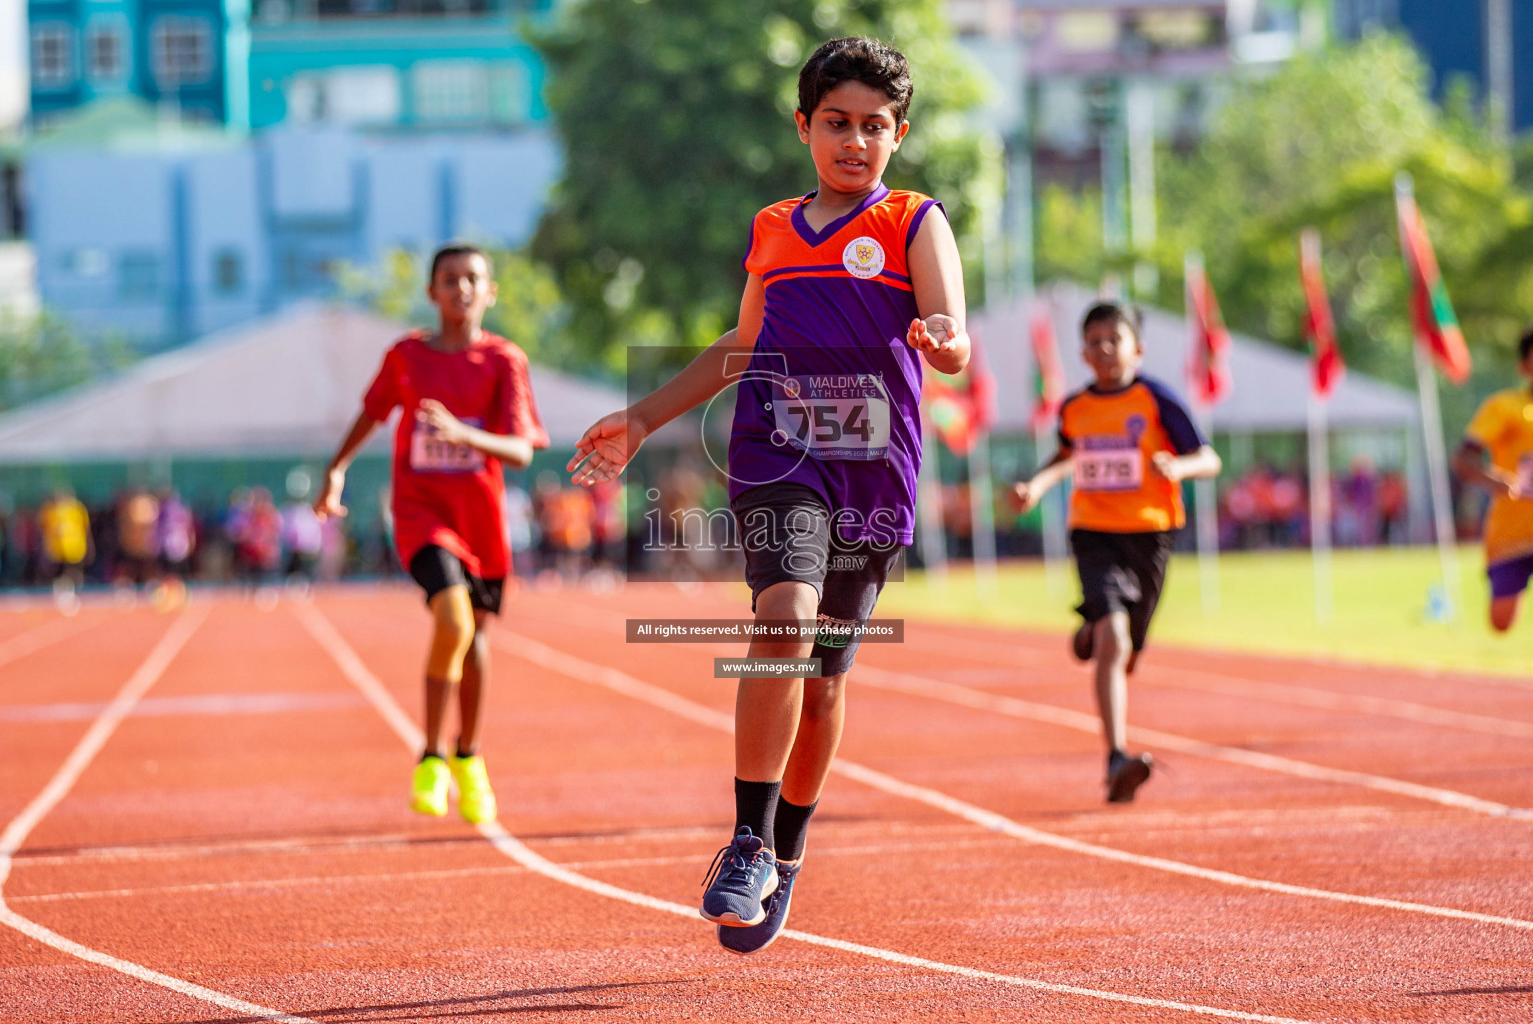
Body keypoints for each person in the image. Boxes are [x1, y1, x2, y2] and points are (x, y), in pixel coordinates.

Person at [568, 37, 969, 954]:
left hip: (873, 465)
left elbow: (954, 333)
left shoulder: (915, 219)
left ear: (898, 136)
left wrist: (945, 342)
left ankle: (786, 850)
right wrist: (642, 417)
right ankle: (746, 839)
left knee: (824, 684)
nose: (854, 141)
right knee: (781, 618)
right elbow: (741, 344)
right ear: (804, 127)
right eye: (837, 123)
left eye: (874, 126)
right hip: (778, 452)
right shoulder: (775, 227)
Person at [314, 243, 547, 824]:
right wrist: (337, 468)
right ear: (432, 292)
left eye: (472, 279)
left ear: (489, 291)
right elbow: (373, 410)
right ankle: (431, 756)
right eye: (449, 279)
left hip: (481, 520)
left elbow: (520, 451)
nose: (461, 289)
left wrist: (464, 437)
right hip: (422, 515)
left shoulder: (503, 361)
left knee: (476, 640)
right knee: (453, 619)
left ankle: (469, 756)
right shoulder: (407, 357)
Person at [1012, 302, 1221, 803]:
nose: (1104, 349)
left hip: (1150, 534)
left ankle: (1093, 627)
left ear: (1137, 348)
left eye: (1114, 339)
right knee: (1115, 643)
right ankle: (1116, 756)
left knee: (1125, 656)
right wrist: (1036, 486)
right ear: (1082, 351)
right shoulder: (1075, 407)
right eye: (1094, 340)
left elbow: (1209, 458)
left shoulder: (1157, 400)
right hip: (1094, 531)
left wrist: (1179, 467)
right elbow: (1066, 456)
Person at [1451, 328, 1533, 632]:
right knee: (1501, 623)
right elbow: (1463, 458)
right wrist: (1495, 479)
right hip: (1511, 534)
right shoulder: (1505, 407)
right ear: (1524, 366)